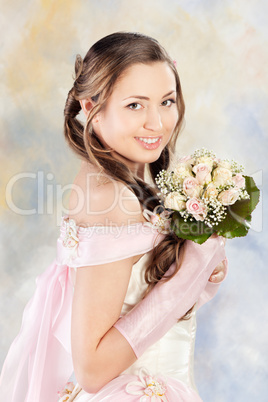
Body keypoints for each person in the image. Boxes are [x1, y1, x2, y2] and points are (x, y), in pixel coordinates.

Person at [0, 32, 227, 402]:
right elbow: (92, 369)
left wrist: (192, 269)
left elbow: (137, 297)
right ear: (90, 106)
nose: (157, 123)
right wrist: (189, 274)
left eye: (166, 101)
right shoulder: (113, 196)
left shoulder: (126, 178)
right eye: (135, 105)